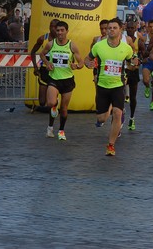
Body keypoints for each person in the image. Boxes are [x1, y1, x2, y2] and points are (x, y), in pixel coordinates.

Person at [84, 18, 138, 156]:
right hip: (102, 86)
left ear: (121, 29)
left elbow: (132, 63)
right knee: (101, 119)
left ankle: (111, 145)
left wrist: (134, 63)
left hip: (118, 86)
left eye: (114, 28)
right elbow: (87, 58)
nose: (111, 30)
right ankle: (109, 108)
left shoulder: (126, 48)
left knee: (117, 113)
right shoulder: (99, 46)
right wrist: (87, 64)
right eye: (109, 28)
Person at [39, 20, 84, 140]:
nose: (59, 33)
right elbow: (42, 54)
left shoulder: (72, 45)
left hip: (68, 80)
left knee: (64, 109)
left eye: (62, 30)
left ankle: (61, 130)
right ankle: (50, 127)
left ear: (67, 31)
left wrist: (77, 66)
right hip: (54, 78)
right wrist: (47, 62)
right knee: (51, 103)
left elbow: (81, 62)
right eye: (57, 30)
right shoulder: (50, 44)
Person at [30, 19, 59, 112]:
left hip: (56, 71)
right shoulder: (43, 39)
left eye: (55, 27)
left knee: (52, 101)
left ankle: (54, 107)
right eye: (51, 26)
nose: (53, 29)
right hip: (44, 71)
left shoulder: (61, 40)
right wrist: (35, 67)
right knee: (42, 102)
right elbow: (33, 52)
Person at [125, 21, 142, 130]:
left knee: (133, 96)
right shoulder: (122, 39)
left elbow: (141, 54)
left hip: (134, 71)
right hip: (125, 70)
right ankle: (120, 115)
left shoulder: (138, 41)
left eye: (132, 28)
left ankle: (132, 117)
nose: (130, 30)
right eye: (129, 28)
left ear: (135, 28)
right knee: (120, 94)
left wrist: (139, 60)